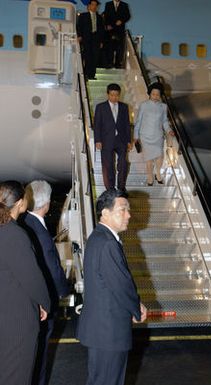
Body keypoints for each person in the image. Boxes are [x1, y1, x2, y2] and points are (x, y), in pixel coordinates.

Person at [76, 188, 147, 385]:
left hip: (102, 330)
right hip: (109, 331)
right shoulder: (107, 243)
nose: (129, 215)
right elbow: (121, 284)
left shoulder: (98, 237)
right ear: (105, 213)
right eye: (122, 210)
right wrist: (136, 307)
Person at [19, 180, 69, 385]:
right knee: (40, 351)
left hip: (26, 299)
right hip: (42, 300)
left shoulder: (24, 223)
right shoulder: (38, 230)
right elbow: (51, 267)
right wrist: (63, 291)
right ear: (46, 203)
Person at [0, 181, 50, 385]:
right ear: (20, 203)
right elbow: (32, 277)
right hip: (16, 319)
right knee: (16, 375)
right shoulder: (14, 234)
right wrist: (44, 302)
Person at [134, 82, 174, 186]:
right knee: (149, 160)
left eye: (158, 94)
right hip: (145, 137)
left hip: (158, 136)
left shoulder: (163, 107)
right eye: (153, 94)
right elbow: (138, 121)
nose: (155, 96)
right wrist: (136, 136)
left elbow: (164, 121)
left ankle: (158, 173)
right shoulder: (144, 105)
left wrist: (169, 130)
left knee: (160, 157)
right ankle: (150, 177)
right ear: (149, 94)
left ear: (160, 95)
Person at [94, 83, 131, 192]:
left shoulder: (124, 107)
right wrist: (98, 140)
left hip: (121, 140)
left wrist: (129, 140)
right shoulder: (100, 107)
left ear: (119, 95)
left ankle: (121, 187)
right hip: (106, 140)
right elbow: (97, 125)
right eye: (112, 95)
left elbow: (126, 124)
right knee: (108, 166)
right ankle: (110, 189)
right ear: (107, 94)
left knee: (123, 164)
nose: (114, 97)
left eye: (116, 95)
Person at [77, 0, 105, 79]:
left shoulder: (99, 17)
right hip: (86, 39)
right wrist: (79, 36)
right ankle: (86, 74)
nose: (94, 7)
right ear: (89, 6)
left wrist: (101, 41)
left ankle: (92, 75)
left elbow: (102, 30)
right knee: (87, 57)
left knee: (95, 58)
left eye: (96, 5)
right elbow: (79, 27)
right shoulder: (83, 16)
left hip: (96, 39)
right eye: (93, 5)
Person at [103, 0, 131, 68]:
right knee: (110, 47)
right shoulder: (108, 4)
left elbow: (128, 16)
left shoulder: (124, 5)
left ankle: (118, 64)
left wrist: (121, 21)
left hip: (120, 30)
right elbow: (106, 16)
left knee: (119, 48)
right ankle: (110, 63)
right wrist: (107, 25)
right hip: (110, 30)